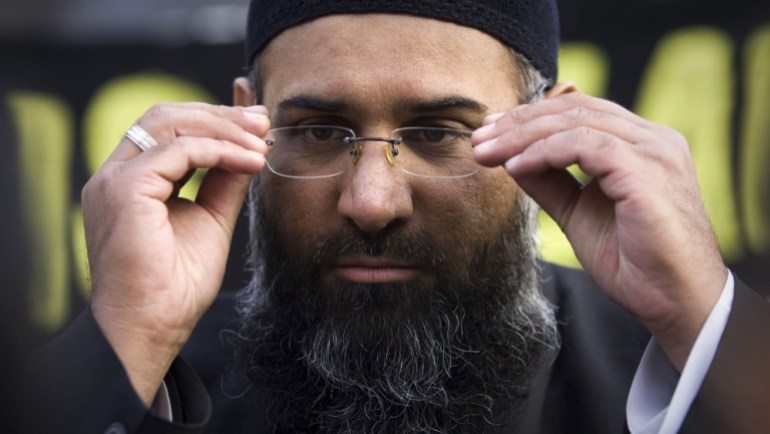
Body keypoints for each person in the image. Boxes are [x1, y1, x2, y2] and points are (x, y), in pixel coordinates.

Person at [28, 0, 770, 433]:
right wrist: (129, 332)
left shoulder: (678, 371)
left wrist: (700, 314)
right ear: (244, 124)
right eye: (321, 132)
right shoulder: (147, 382)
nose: (371, 202)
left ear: (551, 131)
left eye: (437, 134)